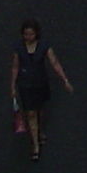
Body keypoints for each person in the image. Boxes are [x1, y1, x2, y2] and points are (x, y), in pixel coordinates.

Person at [10, 19, 73, 159]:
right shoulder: (18, 47)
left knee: (39, 109)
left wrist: (65, 80)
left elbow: (54, 61)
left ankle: (38, 130)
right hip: (25, 84)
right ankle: (35, 145)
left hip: (40, 83)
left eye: (31, 34)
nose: (28, 37)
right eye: (26, 34)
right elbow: (15, 66)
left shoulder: (44, 45)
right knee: (30, 113)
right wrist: (13, 85)